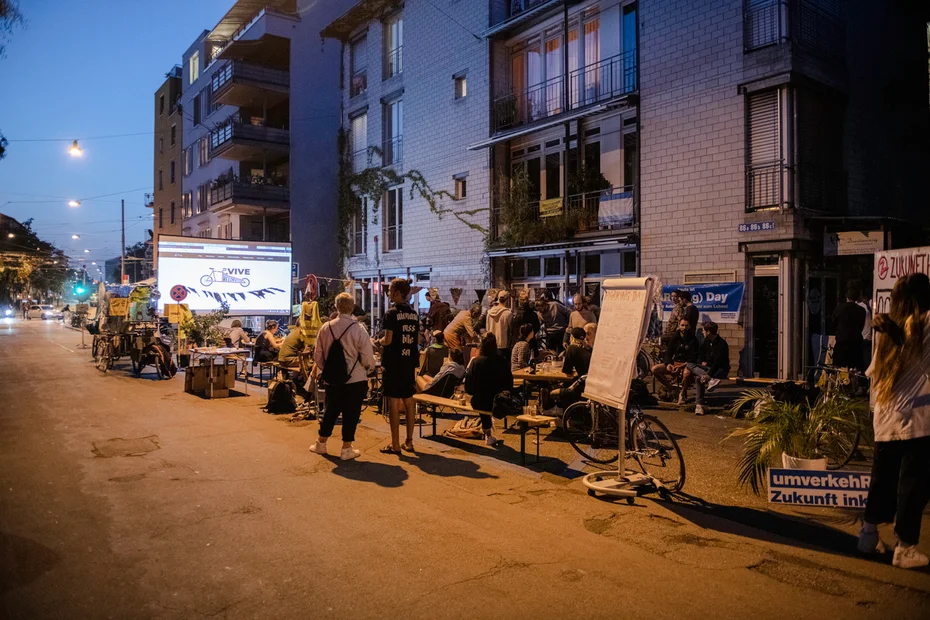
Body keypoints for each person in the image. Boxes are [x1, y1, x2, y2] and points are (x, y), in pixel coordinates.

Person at [858, 273, 930, 569]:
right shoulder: (925, 324)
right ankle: (905, 548)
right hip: (916, 421)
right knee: (913, 486)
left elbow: (872, 372)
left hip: (885, 420)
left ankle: (868, 535)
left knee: (883, 482)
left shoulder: (887, 330)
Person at [309, 293, 376, 461]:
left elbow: (318, 355)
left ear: (336, 307)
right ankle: (346, 448)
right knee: (351, 413)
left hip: (333, 378)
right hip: (356, 378)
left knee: (330, 410)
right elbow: (368, 357)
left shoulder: (326, 328)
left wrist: (328, 369)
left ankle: (321, 443)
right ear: (352, 307)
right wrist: (368, 369)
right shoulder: (359, 328)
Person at [378, 279, 420, 454]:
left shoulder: (391, 314)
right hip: (409, 362)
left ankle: (395, 444)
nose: (388, 293)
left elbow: (387, 340)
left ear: (396, 293)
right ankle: (409, 442)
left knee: (394, 402)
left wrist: (378, 341)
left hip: (394, 363)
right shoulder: (414, 314)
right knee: (409, 401)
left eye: (390, 291)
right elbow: (416, 340)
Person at [464, 333, 513, 447]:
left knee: (481, 397)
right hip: (499, 402)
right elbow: (509, 384)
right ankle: (488, 433)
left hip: (481, 402)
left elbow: (469, 388)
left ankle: (487, 433)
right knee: (488, 397)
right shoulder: (503, 361)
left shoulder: (476, 362)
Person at [683, 322, 730, 416]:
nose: (703, 333)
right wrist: (703, 362)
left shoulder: (721, 344)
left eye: (704, 331)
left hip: (720, 370)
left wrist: (709, 374)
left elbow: (717, 363)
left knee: (698, 379)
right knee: (689, 364)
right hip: (708, 369)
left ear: (708, 332)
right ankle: (709, 379)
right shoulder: (706, 342)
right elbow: (701, 354)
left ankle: (699, 405)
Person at [652, 318, 699, 404]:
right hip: (675, 363)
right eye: (682, 325)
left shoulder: (693, 339)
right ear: (679, 325)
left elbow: (694, 357)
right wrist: (669, 363)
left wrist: (682, 366)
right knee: (655, 369)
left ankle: (683, 393)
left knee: (686, 373)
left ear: (690, 326)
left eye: (686, 325)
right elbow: (669, 352)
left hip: (687, 364)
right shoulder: (674, 337)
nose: (684, 328)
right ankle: (671, 389)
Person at [832, 282, 867, 369]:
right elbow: (861, 326)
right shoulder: (861, 310)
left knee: (839, 369)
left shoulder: (840, 308)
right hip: (856, 344)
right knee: (855, 370)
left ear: (846, 296)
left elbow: (833, 323)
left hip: (842, 343)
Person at [486, 291, 513, 358]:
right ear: (507, 299)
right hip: (503, 345)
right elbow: (511, 330)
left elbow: (487, 328)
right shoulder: (508, 314)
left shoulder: (489, 313)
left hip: (491, 344)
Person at [857, 294, 873, 371]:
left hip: (867, 339)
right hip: (858, 339)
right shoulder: (854, 305)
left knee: (866, 365)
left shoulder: (869, 303)